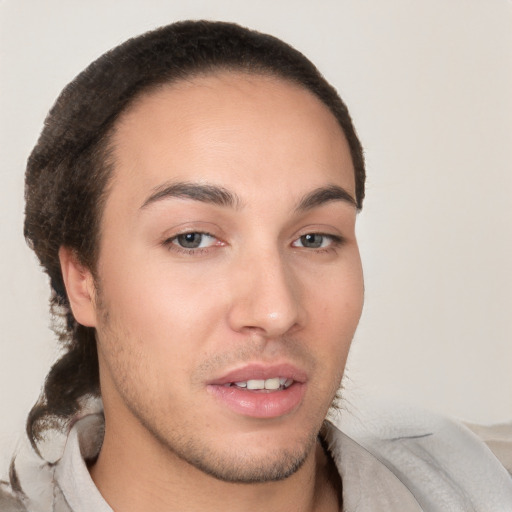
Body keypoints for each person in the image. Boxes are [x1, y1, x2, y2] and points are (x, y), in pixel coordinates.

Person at [1, 20, 511, 512]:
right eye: (192, 238)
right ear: (83, 282)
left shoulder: (482, 478)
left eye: (314, 238)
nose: (276, 311)